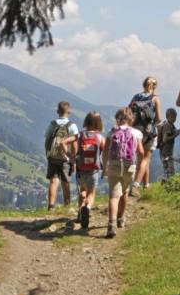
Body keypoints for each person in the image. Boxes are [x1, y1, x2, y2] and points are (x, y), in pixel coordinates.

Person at [60, 111, 105, 231]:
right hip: (93, 171)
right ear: (99, 123)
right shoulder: (100, 137)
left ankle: (80, 212)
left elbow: (62, 142)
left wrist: (70, 156)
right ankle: (87, 208)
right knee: (91, 193)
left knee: (82, 191)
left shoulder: (80, 135)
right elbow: (106, 152)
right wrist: (105, 166)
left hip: (81, 170)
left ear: (86, 121)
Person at [103, 107, 144, 238]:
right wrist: (138, 164)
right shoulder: (136, 133)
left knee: (114, 196)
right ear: (131, 118)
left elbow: (105, 151)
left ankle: (111, 224)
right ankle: (121, 218)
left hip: (114, 165)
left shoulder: (111, 132)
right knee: (124, 192)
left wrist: (105, 167)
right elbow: (141, 152)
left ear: (117, 119)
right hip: (129, 166)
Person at [43, 101, 79, 211]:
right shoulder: (72, 126)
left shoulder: (52, 124)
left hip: (53, 157)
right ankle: (67, 206)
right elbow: (74, 143)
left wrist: (48, 153)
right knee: (65, 182)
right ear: (69, 112)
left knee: (53, 181)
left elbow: (47, 139)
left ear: (58, 111)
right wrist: (73, 158)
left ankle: (51, 206)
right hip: (65, 158)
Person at [128, 76, 161, 195]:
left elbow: (128, 113)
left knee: (141, 159)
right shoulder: (155, 99)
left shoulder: (135, 97)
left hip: (135, 131)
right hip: (149, 132)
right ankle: (136, 185)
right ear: (154, 86)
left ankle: (146, 185)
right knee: (146, 159)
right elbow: (158, 119)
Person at [156, 108, 180, 178]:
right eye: (172, 117)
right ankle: (170, 180)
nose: (174, 119)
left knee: (166, 167)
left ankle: (167, 180)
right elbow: (165, 139)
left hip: (164, 150)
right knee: (170, 166)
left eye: (175, 117)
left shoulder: (169, 124)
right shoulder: (168, 126)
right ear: (167, 117)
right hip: (166, 150)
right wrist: (176, 134)